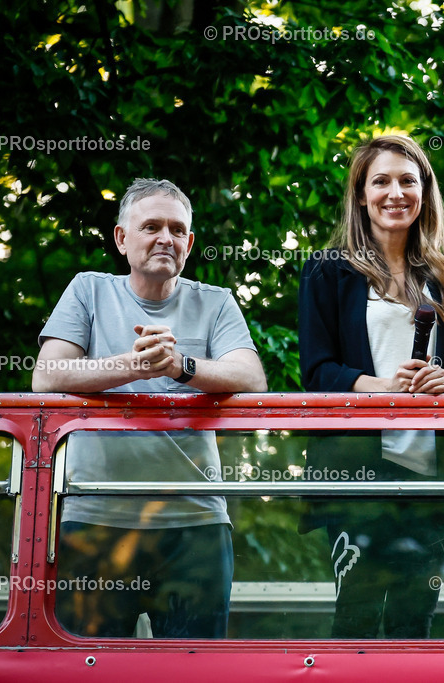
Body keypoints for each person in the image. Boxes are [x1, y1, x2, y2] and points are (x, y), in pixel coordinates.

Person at [33, 178, 267, 638]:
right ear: (122, 238)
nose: (166, 238)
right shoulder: (89, 290)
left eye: (178, 230)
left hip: (195, 520)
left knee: (196, 670)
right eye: (152, 226)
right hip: (96, 516)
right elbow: (47, 375)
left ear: (190, 243)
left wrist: (180, 367)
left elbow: (251, 378)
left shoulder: (215, 301)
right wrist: (133, 365)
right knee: (88, 668)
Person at [298, 135, 444, 638]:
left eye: (408, 179)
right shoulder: (327, 272)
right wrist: (382, 388)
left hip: (432, 480)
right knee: (355, 618)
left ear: (425, 190)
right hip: (356, 477)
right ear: (361, 195)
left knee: (413, 624)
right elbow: (315, 372)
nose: (395, 192)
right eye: (380, 181)